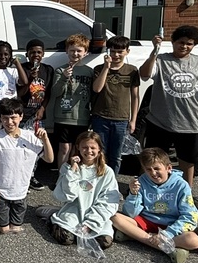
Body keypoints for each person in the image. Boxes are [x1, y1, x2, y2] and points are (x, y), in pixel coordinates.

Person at [139, 25, 198, 188]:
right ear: (173, 42)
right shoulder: (161, 60)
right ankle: (151, 189)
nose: (184, 46)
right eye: (181, 42)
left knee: (187, 160)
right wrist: (154, 51)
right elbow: (144, 74)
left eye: (189, 44)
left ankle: (186, 192)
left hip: (190, 122)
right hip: (161, 120)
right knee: (155, 159)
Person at [110, 147, 198, 263]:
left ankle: (136, 236)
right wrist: (133, 194)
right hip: (147, 221)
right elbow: (130, 214)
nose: (153, 173)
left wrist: (167, 234)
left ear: (169, 168)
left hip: (171, 224)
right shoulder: (142, 181)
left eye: (157, 168)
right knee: (115, 217)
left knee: (193, 241)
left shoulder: (181, 185)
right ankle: (167, 248)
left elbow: (190, 216)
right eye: (148, 169)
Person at [0, 97, 54, 235]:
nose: (9, 122)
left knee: (15, 228)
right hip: (1, 191)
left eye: (13, 118)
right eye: (5, 118)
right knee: (4, 230)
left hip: (21, 191)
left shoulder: (30, 136)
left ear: (21, 117)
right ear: (0, 118)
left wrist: (45, 140)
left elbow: (49, 159)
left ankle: (45, 210)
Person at [48, 131, 120, 249]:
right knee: (65, 238)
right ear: (78, 148)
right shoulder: (67, 167)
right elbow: (67, 195)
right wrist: (73, 172)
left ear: (99, 149)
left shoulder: (107, 172)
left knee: (104, 242)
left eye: (93, 148)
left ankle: (87, 227)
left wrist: (92, 222)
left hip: (95, 212)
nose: (89, 151)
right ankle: (52, 220)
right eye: (85, 147)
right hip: (74, 210)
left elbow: (108, 200)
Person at [90, 35, 140, 175]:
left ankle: (112, 184)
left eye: (120, 51)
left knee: (116, 156)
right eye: (112, 51)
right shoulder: (99, 69)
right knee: (100, 153)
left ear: (127, 52)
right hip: (100, 117)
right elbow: (97, 89)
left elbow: (135, 96)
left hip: (121, 119)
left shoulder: (132, 70)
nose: (116, 55)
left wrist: (133, 119)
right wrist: (107, 67)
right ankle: (99, 181)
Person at [50, 33, 94, 168]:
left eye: (79, 51)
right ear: (66, 51)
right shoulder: (60, 70)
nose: (75, 54)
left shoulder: (89, 72)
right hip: (63, 116)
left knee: (78, 149)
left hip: (82, 117)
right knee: (64, 148)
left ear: (86, 52)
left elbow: (93, 94)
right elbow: (56, 92)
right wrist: (63, 77)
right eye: (72, 50)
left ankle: (75, 174)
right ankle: (62, 175)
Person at [0, 40, 28, 149]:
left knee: (10, 144)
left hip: (11, 114)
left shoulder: (13, 71)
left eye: (6, 54)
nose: (3, 57)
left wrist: (17, 64)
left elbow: (24, 82)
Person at [21, 39, 53, 132]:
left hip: (38, 114)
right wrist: (30, 78)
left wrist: (42, 109)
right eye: (32, 52)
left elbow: (48, 93)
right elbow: (19, 93)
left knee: (37, 143)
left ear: (43, 54)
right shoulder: (22, 69)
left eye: (39, 52)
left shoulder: (48, 70)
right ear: (27, 54)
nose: (36, 55)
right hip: (23, 114)